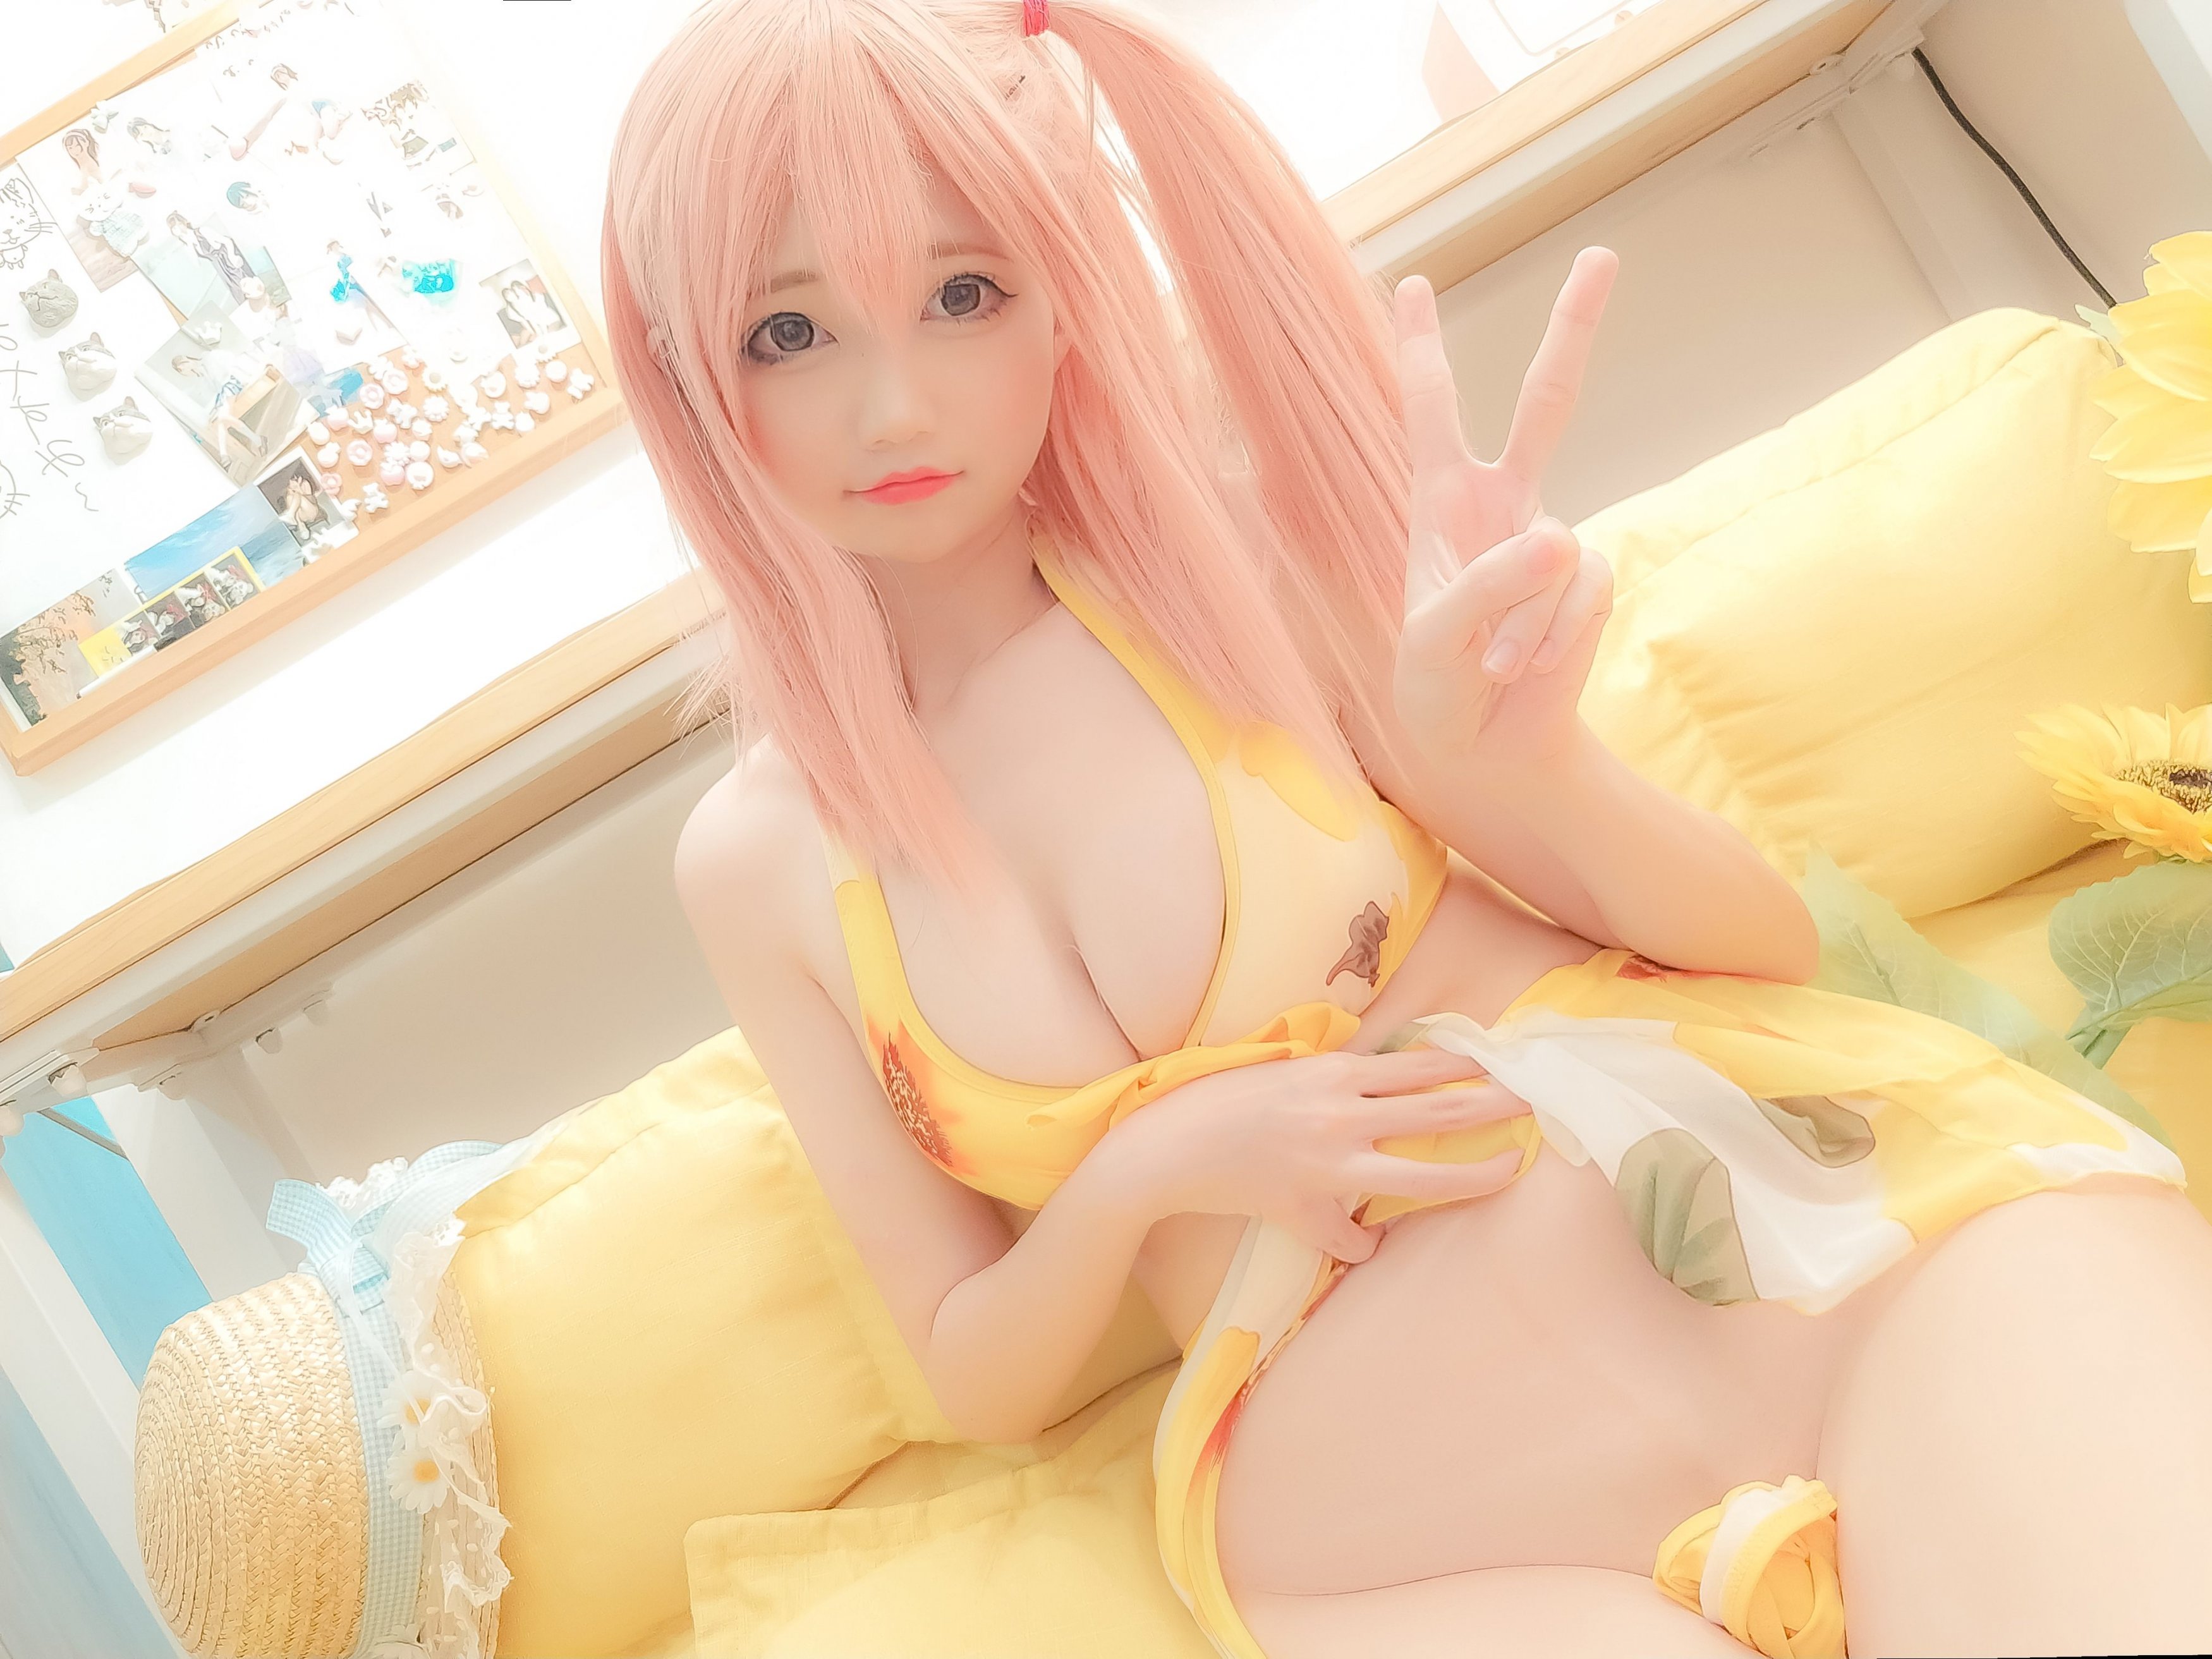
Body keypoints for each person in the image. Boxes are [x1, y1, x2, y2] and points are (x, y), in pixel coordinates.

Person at [606, 4, 2212, 1656]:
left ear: (1062, 296)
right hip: (1400, 1538)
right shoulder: (756, 861)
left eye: (961, 295)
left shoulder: (1228, 573)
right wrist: (1144, 1171)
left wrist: (1539, 765)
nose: (893, 405)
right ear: (682, 371)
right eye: (788, 332)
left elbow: (1763, 945)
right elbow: (975, 1366)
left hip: (1820, 1242)